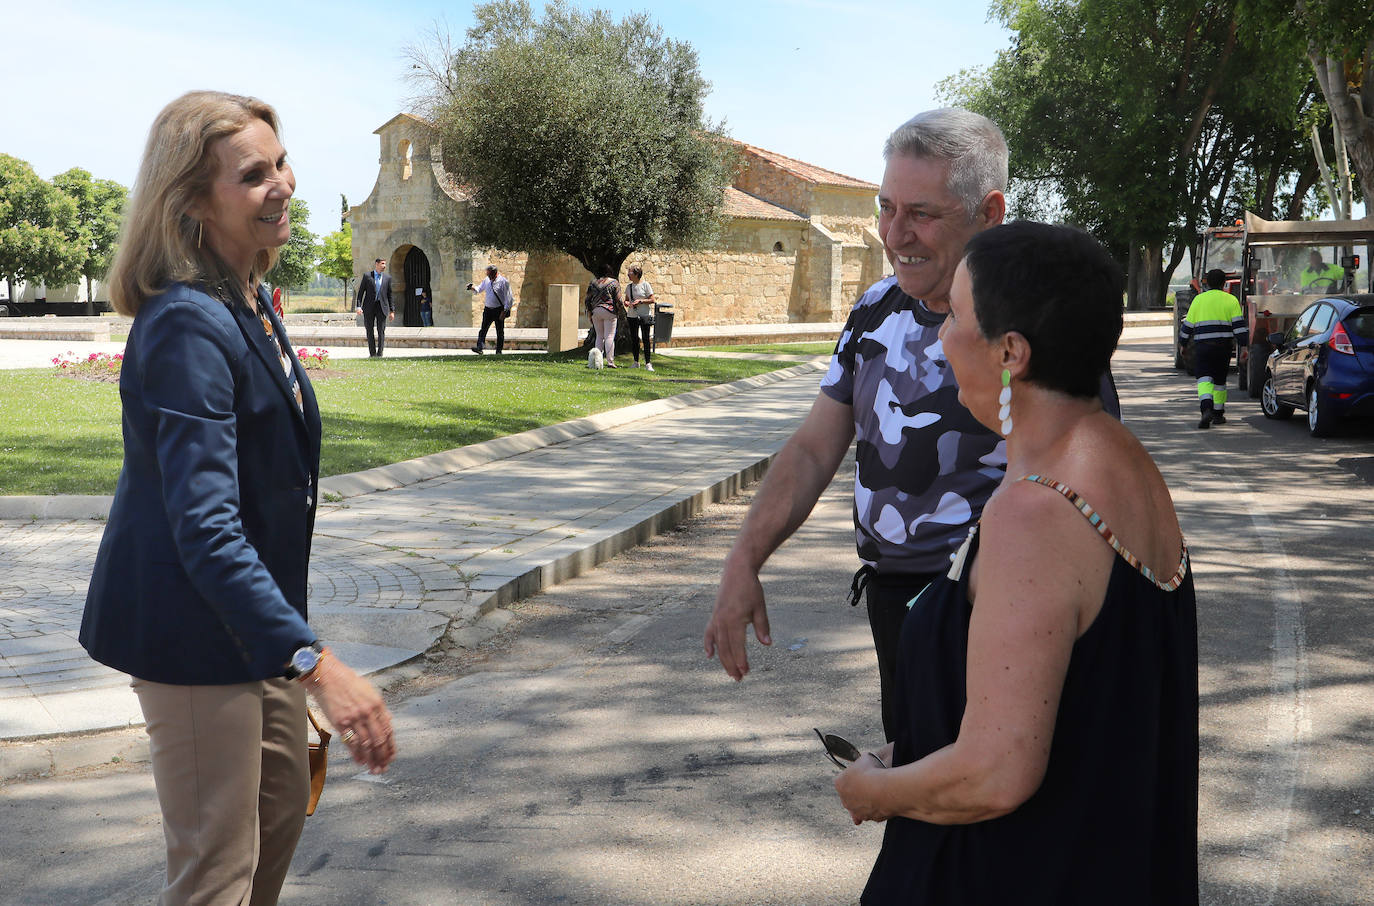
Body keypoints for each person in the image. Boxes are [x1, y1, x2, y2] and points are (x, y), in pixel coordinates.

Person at [79, 91, 396, 906]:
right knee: (217, 862)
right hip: (189, 635)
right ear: (190, 204)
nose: (281, 183)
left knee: (284, 800)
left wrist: (290, 648)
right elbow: (206, 527)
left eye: (280, 162)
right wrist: (320, 666)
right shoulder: (188, 321)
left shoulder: (244, 296)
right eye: (253, 175)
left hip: (246, 631)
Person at [834, 221, 1197, 904]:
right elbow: (1083, 702)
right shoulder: (1122, 459)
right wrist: (916, 751)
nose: (940, 337)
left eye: (956, 317)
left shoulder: (1034, 511)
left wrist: (873, 790)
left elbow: (995, 774)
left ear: (1011, 352)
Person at [704, 109, 1012, 739]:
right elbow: (815, 448)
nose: (893, 234)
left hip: (996, 612)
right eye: (885, 207)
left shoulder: (1032, 320)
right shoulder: (876, 308)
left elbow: (1078, 479)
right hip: (895, 603)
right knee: (915, 773)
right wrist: (743, 559)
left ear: (990, 213)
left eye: (921, 214)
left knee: (974, 798)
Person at [1179, 267, 1247, 429]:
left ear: (1207, 283)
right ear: (1224, 283)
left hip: (1203, 347)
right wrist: (1244, 347)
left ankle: (1206, 409)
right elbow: (1238, 327)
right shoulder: (1231, 300)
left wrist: (1182, 344)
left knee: (1204, 379)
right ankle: (1218, 414)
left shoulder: (1198, 300)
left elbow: (1187, 326)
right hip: (1223, 348)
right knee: (1219, 381)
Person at [467, 264, 513, 354]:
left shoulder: (503, 282)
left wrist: (504, 311)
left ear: (495, 273)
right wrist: (472, 288)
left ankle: (499, 351)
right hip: (488, 309)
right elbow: (479, 289)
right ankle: (479, 347)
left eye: (490, 274)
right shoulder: (487, 279)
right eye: (487, 274)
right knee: (483, 329)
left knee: (499, 331)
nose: (488, 276)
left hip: (499, 310)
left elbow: (509, 298)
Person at [355, 256, 394, 356]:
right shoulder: (367, 276)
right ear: (376, 264)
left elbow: (390, 295)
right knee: (369, 330)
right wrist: (358, 306)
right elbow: (360, 293)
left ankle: (380, 353)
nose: (384, 266)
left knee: (381, 331)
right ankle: (372, 354)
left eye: (385, 264)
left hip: (382, 307)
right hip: (369, 307)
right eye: (382, 264)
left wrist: (392, 310)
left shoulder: (387, 278)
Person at [586, 269, 623, 368]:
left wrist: (590, 312)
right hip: (609, 311)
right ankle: (610, 362)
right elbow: (619, 300)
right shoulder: (614, 282)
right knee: (609, 336)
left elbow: (588, 299)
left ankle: (596, 361)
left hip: (596, 311)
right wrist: (619, 311)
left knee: (599, 336)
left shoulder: (593, 283)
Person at [624, 264, 655, 370]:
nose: (628, 274)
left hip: (644, 315)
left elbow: (652, 300)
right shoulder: (629, 287)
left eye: (630, 272)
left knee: (646, 339)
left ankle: (648, 363)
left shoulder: (646, 285)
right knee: (634, 339)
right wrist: (627, 303)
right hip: (632, 315)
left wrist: (640, 301)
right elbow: (626, 299)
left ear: (637, 274)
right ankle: (636, 362)